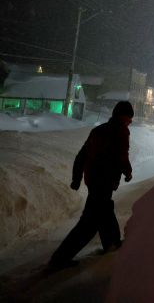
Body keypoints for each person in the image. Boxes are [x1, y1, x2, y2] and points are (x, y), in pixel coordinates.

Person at [48, 101, 134, 270]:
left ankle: (113, 244)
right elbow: (121, 155)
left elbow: (82, 155)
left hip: (95, 181)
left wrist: (76, 178)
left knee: (105, 211)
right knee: (89, 224)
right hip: (104, 181)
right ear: (123, 116)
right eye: (129, 118)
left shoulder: (99, 130)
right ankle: (59, 259)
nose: (130, 121)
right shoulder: (120, 131)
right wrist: (128, 172)